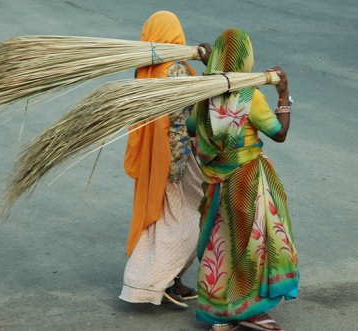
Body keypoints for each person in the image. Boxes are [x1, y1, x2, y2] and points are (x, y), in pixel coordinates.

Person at [186, 28, 299, 331]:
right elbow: (280, 133)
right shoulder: (252, 97)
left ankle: (220, 312)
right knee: (251, 245)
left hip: (215, 182)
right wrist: (284, 93)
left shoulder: (204, 94)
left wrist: (207, 76)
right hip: (246, 181)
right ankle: (247, 310)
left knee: (219, 241)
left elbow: (192, 128)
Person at [119, 11, 211, 307]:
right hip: (176, 162)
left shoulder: (145, 70)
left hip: (158, 160)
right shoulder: (176, 70)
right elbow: (191, 110)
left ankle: (170, 281)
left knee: (161, 219)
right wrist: (210, 69)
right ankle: (151, 281)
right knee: (185, 220)